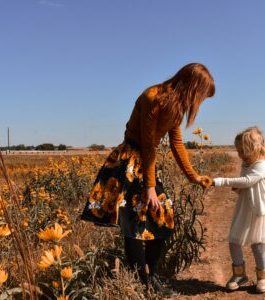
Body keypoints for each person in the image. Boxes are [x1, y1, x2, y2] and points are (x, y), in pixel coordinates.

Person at [81, 63, 215, 295]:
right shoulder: (152, 97)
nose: (200, 102)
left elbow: (177, 144)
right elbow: (146, 144)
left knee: (163, 219)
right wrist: (150, 187)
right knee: (133, 225)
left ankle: (149, 278)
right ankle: (143, 284)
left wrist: (193, 176)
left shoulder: (176, 106)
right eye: (202, 96)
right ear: (193, 87)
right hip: (130, 161)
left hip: (146, 164)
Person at [212, 127, 265, 293]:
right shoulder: (247, 164)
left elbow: (248, 181)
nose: (239, 155)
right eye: (238, 151)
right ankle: (239, 274)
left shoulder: (262, 165)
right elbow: (246, 185)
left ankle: (263, 277)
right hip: (244, 208)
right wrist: (238, 187)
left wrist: (220, 181)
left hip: (259, 211)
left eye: (242, 151)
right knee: (234, 240)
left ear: (254, 148)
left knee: (257, 245)